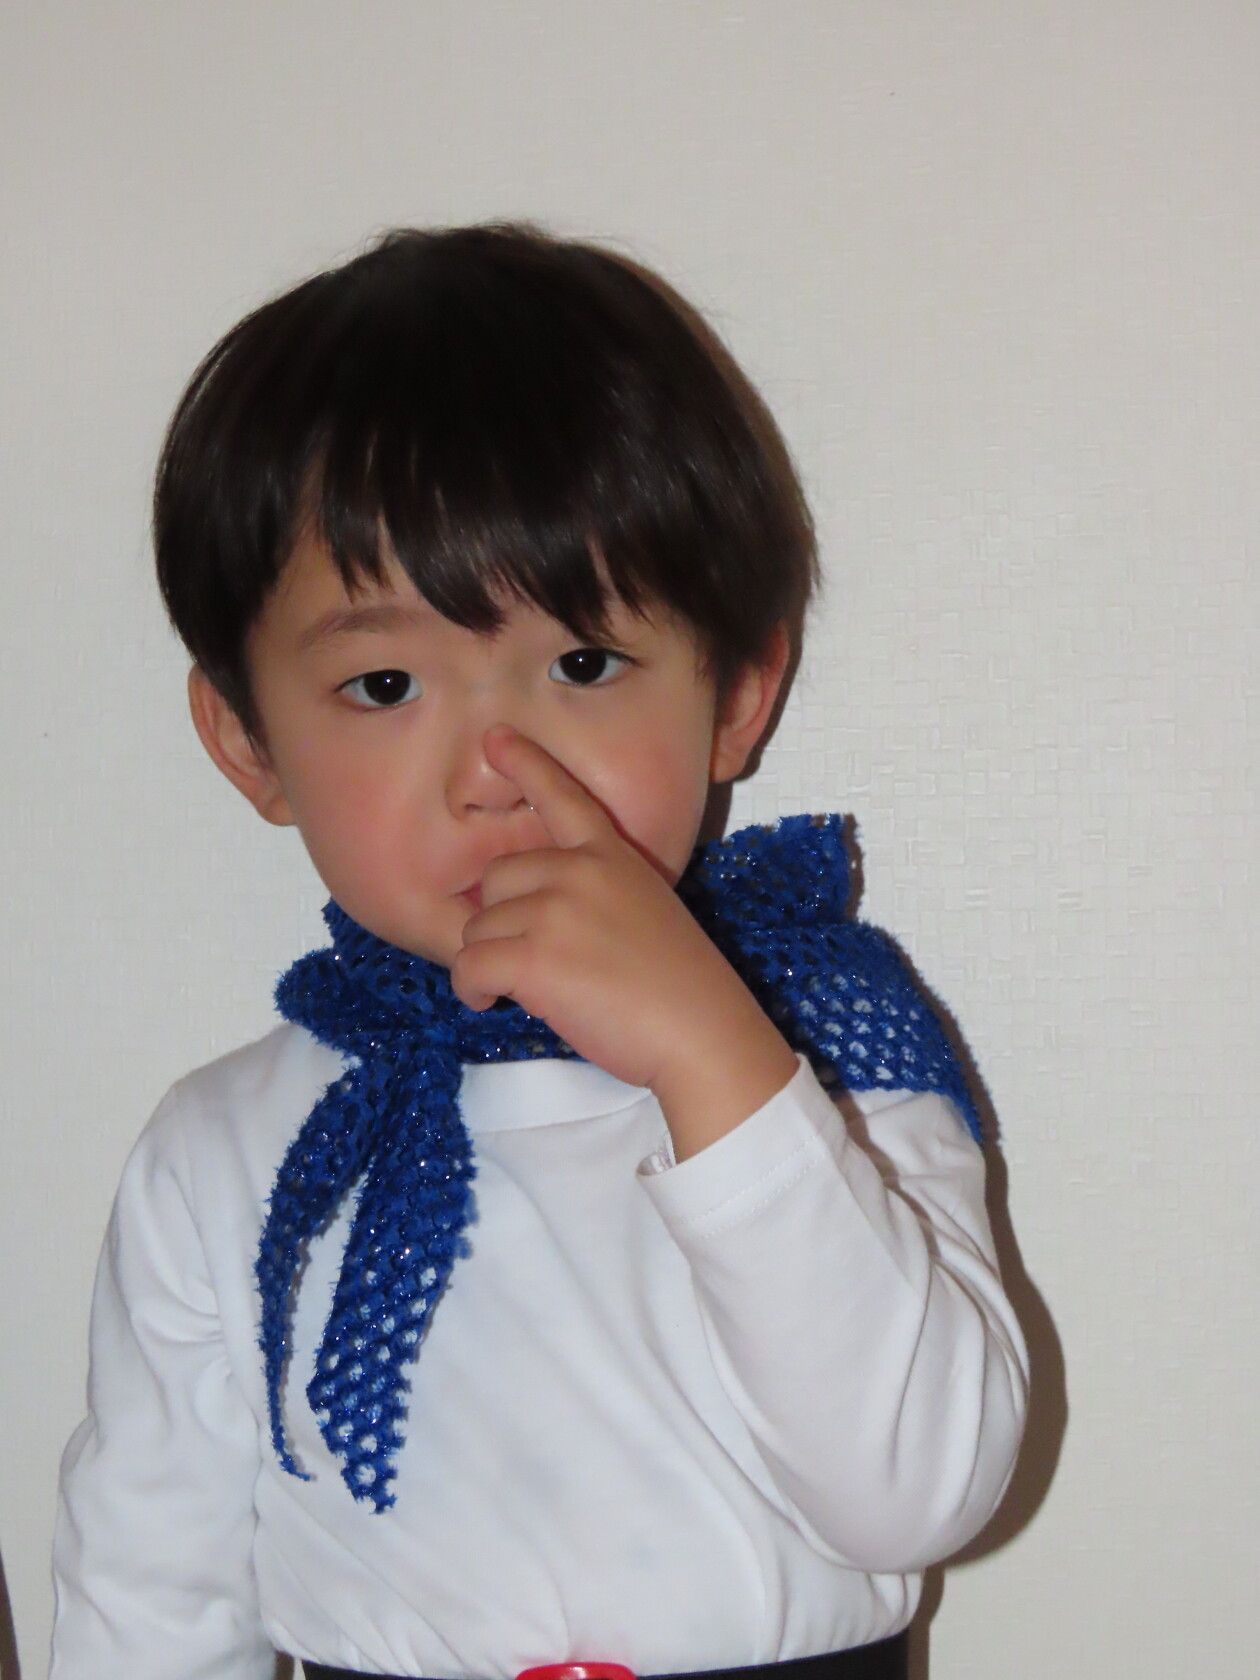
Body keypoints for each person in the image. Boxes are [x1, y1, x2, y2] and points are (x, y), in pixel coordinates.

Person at [50, 225, 1027, 1680]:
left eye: (582, 663)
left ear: (738, 694)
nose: (495, 771)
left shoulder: (833, 1048)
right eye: (385, 683)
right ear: (248, 741)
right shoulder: (225, 1152)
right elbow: (148, 1600)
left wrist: (715, 1059)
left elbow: (920, 1490)